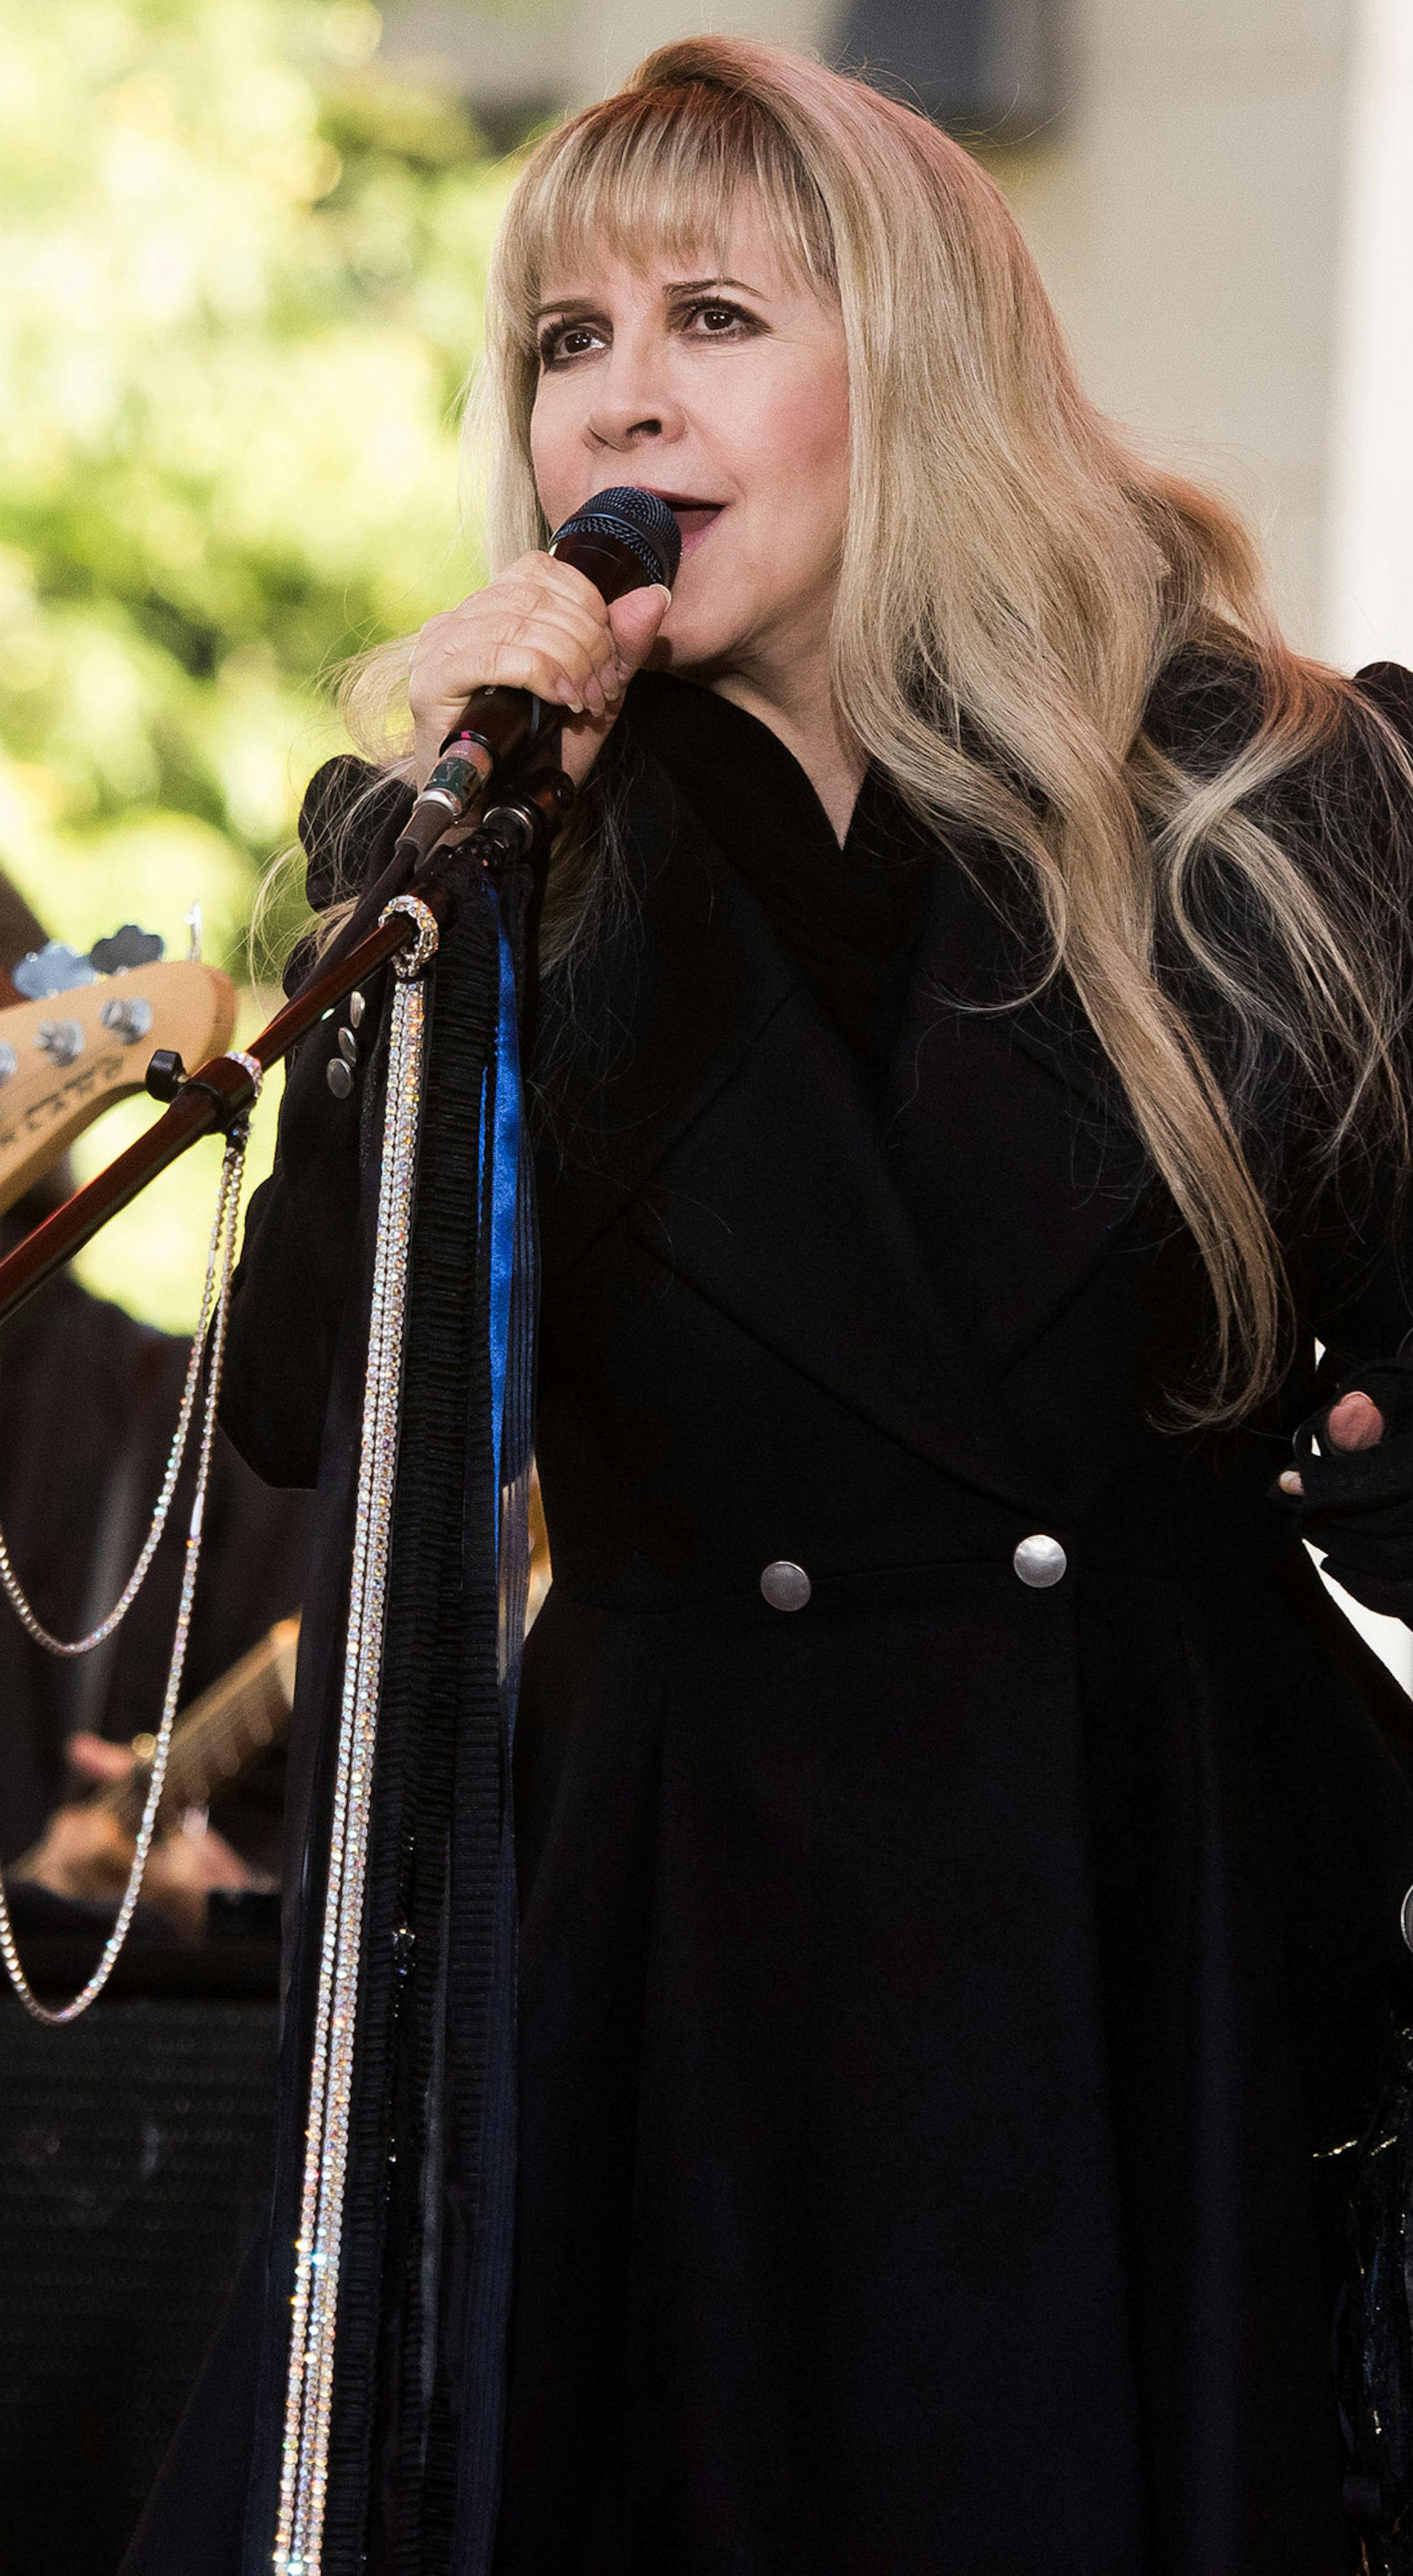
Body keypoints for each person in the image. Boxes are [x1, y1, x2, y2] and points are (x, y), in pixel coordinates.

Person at [126, 37, 1413, 2576]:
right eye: (564, 342)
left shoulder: (1270, 793)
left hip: (1154, 1922)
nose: (620, 395)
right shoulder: (500, 855)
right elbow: (307, 1404)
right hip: (696, 1946)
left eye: (711, 313)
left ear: (909, 370)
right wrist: (454, 884)